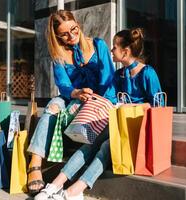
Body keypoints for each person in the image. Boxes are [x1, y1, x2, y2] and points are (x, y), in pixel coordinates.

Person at [34, 27, 163, 200]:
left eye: (114, 47)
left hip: (138, 129)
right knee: (90, 142)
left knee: (106, 146)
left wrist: (130, 108)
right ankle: (56, 184)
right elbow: (109, 98)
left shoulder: (147, 73)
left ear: (125, 52)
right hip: (120, 123)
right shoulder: (119, 75)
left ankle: (74, 190)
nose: (111, 50)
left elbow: (158, 105)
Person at [27, 10, 115, 195]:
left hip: (100, 101)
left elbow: (108, 78)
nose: (72, 35)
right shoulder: (58, 55)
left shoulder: (98, 45)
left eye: (74, 29)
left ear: (78, 24)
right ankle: (35, 163)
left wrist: (92, 98)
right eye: (65, 34)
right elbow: (64, 85)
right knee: (53, 105)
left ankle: (65, 185)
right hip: (73, 99)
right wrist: (76, 93)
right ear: (57, 36)